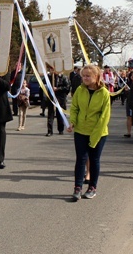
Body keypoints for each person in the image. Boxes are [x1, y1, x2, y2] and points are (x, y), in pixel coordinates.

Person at [67, 65, 111, 201]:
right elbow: (74, 108)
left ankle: (92, 187)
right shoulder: (80, 90)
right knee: (80, 159)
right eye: (83, 75)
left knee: (94, 160)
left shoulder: (104, 93)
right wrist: (73, 122)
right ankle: (77, 188)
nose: (85, 78)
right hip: (81, 131)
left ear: (96, 77)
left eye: (88, 76)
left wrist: (95, 136)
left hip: (98, 133)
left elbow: (104, 117)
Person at [45, 68, 70, 136]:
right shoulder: (49, 77)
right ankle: (50, 131)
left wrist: (58, 89)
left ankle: (60, 129)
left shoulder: (63, 77)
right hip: (51, 98)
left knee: (60, 114)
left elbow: (67, 87)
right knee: (50, 114)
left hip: (61, 98)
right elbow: (44, 83)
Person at [123, 71, 133, 137]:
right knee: (129, 117)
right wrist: (126, 91)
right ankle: (128, 132)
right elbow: (125, 95)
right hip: (129, 102)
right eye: (132, 75)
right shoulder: (128, 83)